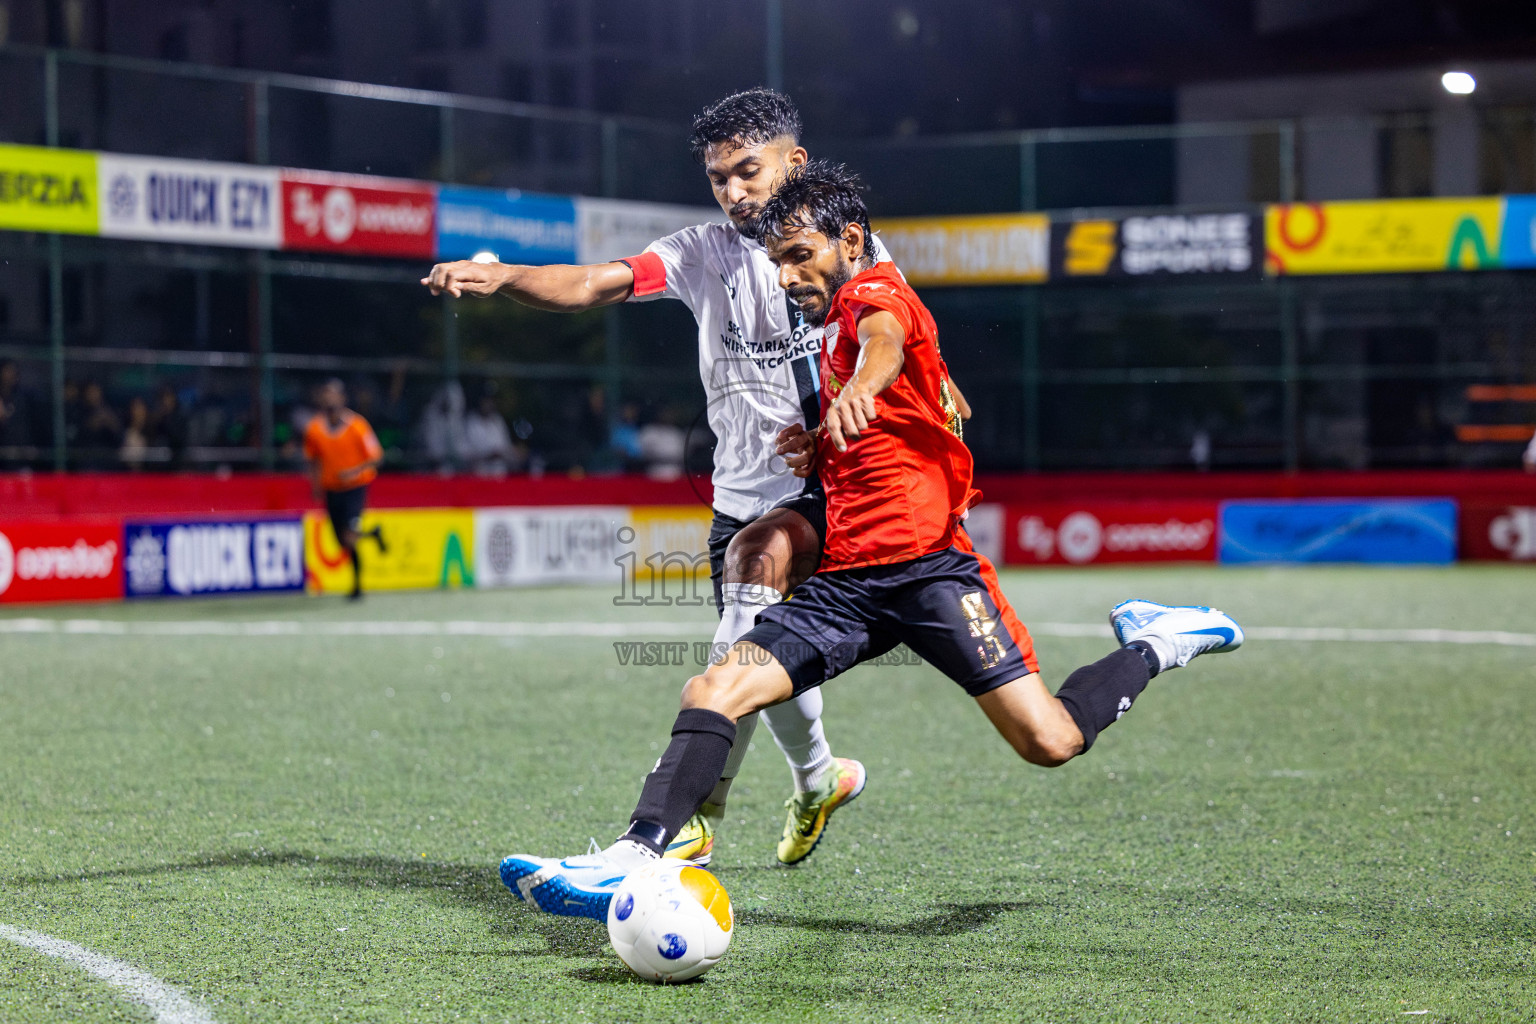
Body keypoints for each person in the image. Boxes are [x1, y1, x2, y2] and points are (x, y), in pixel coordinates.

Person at [499, 162, 1244, 921]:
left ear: (850, 240)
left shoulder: (876, 295)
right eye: (777, 262)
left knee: (1048, 741)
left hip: (931, 575)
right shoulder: (824, 332)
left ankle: (1158, 642)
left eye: (799, 256)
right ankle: (632, 856)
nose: (787, 277)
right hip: (847, 585)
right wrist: (818, 436)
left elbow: (883, 338)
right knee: (714, 687)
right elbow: (884, 418)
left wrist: (863, 386)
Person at [425, 89, 897, 869]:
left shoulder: (847, 249)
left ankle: (679, 823)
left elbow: (890, 333)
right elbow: (588, 285)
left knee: (743, 617)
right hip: (737, 497)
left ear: (794, 163)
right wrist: (507, 276)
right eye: (720, 178)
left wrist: (851, 409)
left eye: (749, 171)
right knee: (756, 650)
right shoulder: (699, 253)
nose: (736, 192)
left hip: (827, 492)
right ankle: (820, 776)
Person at [303, 379, 387, 600]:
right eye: (326, 394)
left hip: (354, 488)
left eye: (334, 394)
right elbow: (314, 460)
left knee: (349, 534)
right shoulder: (314, 428)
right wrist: (315, 485)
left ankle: (357, 587)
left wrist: (353, 472)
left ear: (342, 398)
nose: (329, 398)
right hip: (332, 490)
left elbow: (376, 458)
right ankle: (372, 534)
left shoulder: (357, 426)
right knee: (341, 540)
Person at [463, 385, 522, 477]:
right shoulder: (470, 422)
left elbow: (506, 447)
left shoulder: (498, 421)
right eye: (486, 400)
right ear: (480, 401)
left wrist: (515, 451)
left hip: (499, 476)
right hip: (478, 477)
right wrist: (488, 456)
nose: (489, 404)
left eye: (491, 400)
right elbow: (464, 454)